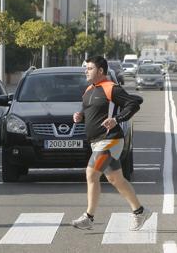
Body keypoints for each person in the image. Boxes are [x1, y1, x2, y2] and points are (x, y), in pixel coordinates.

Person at [71, 56, 151, 231]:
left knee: (91, 174)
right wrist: (79, 116)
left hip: (109, 141)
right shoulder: (88, 90)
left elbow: (133, 104)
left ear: (100, 71)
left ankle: (89, 217)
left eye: (90, 68)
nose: (86, 71)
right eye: (86, 68)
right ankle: (140, 211)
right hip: (96, 142)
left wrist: (117, 119)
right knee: (116, 179)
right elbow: (87, 110)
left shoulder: (111, 88)